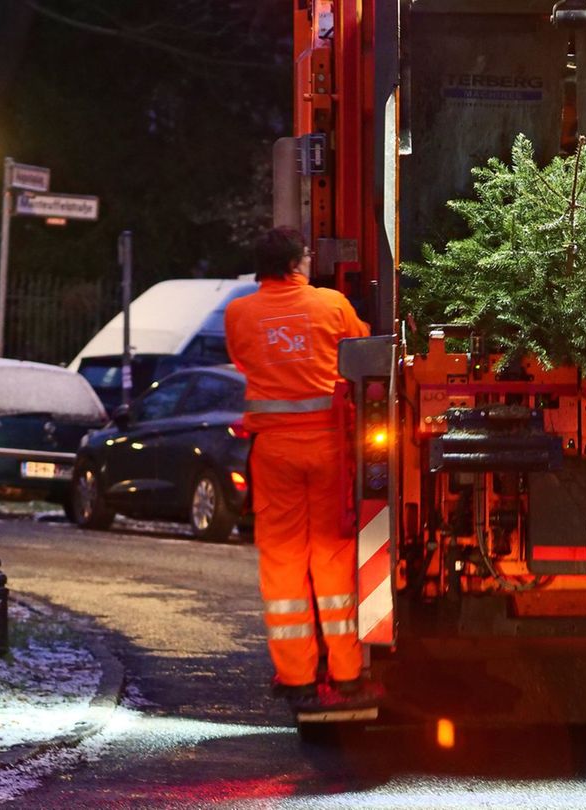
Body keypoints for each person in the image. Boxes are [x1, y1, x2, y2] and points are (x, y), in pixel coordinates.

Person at [225, 228, 374, 711]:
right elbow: (363, 348)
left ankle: (296, 678)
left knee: (283, 559)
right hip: (328, 446)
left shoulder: (239, 313)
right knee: (331, 554)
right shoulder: (331, 304)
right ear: (295, 263)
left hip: (273, 451)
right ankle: (347, 673)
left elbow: (242, 360)